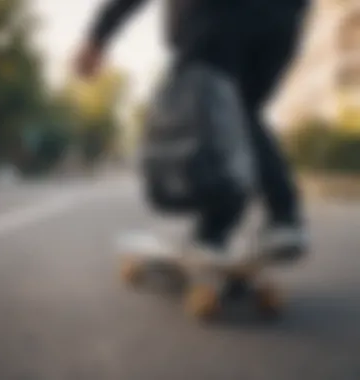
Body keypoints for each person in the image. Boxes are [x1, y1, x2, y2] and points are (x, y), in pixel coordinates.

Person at [76, 0, 309, 261]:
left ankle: (228, 229)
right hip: (281, 24)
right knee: (240, 117)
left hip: (214, 19)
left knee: (207, 114)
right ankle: (273, 221)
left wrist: (98, 36)